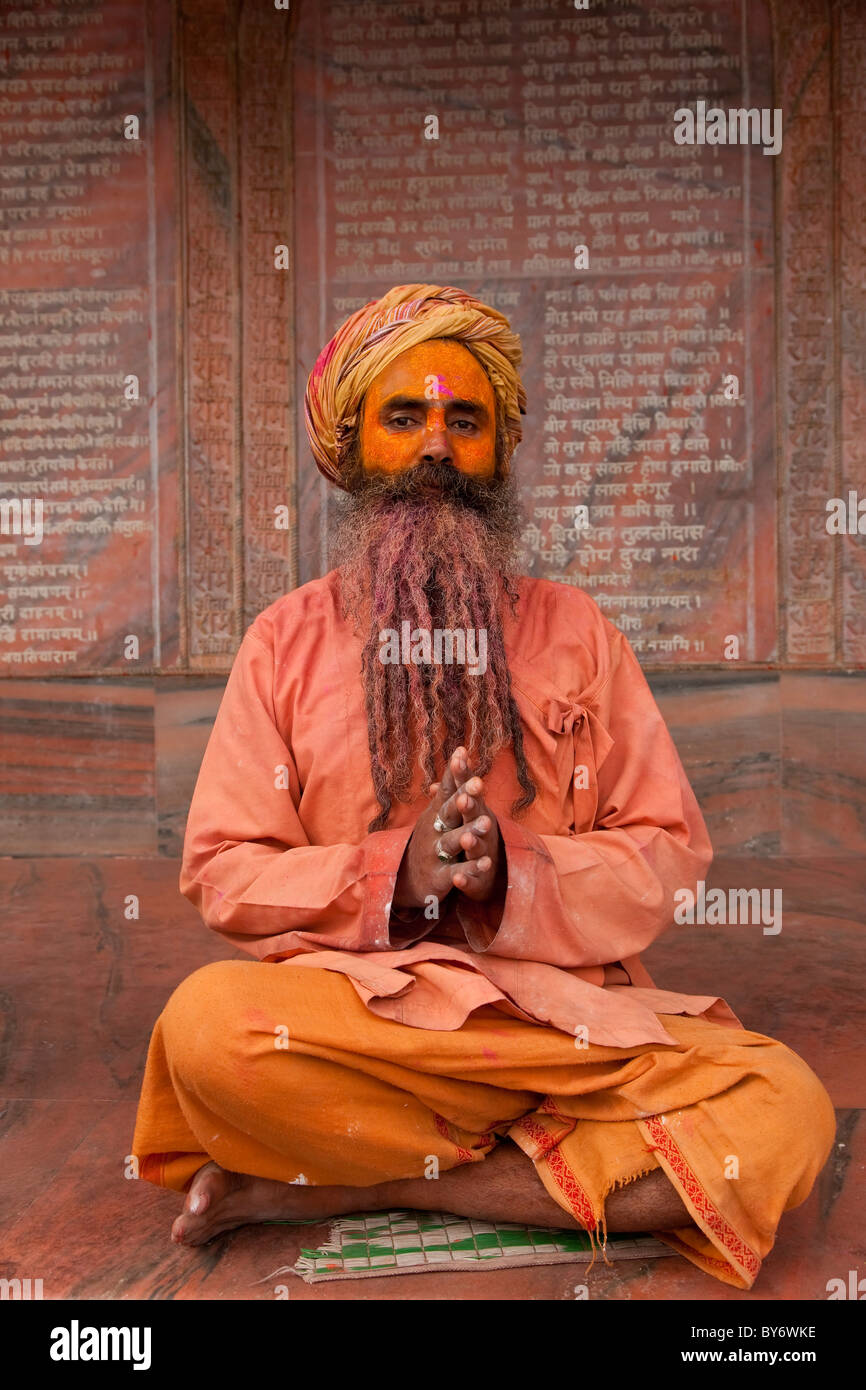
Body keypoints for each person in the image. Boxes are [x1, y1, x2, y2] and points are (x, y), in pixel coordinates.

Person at [131, 284, 835, 1289]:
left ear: (498, 447)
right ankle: (539, 1171)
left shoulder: (576, 629)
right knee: (206, 1033)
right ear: (352, 447)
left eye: (464, 420)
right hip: (370, 1022)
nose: (435, 448)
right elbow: (223, 867)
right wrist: (395, 877)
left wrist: (514, 873)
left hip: (561, 1030)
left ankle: (350, 1187)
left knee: (786, 1111)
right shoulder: (282, 642)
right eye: (404, 417)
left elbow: (668, 849)